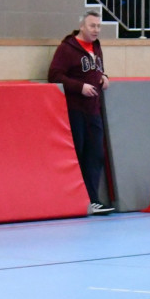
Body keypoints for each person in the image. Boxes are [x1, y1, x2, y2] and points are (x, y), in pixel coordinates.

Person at [48, 11, 114, 215]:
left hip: (93, 110)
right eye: (92, 26)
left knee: (95, 155)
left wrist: (104, 76)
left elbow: (96, 70)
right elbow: (54, 75)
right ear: (82, 27)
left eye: (98, 26)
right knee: (78, 153)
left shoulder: (96, 47)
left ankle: (93, 199)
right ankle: (72, 200)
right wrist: (80, 87)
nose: (96, 30)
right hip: (75, 111)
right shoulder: (67, 49)